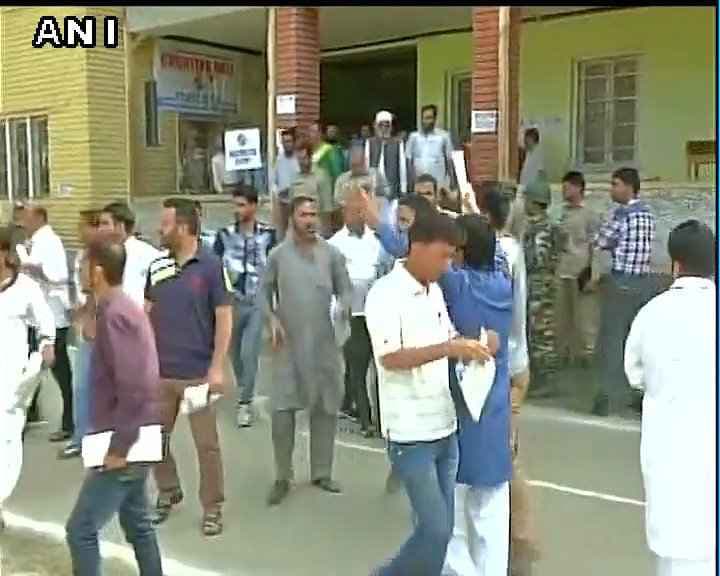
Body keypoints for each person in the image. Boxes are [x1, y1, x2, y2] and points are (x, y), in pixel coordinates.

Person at [365, 212, 492, 576]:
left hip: (444, 425)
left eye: (452, 257)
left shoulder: (434, 292)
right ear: (418, 247)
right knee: (434, 530)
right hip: (410, 432)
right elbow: (391, 358)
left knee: (441, 533)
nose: (447, 265)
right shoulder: (385, 295)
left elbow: (447, 337)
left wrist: (472, 346)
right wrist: (449, 349)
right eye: (443, 255)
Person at [65, 239, 164, 576]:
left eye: (82, 265)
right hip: (136, 436)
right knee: (138, 524)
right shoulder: (116, 308)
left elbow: (135, 383)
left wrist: (120, 447)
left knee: (80, 530)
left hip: (126, 442)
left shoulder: (116, 314)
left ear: (97, 271)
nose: (79, 272)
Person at [624, 220, 716, 576]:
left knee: (674, 555)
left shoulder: (652, 313)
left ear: (675, 264)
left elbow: (634, 374)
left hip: (669, 452)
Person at [146, 198, 233, 537]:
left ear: (182, 227)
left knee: (206, 446)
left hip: (197, 374)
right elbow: (146, 313)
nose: (160, 229)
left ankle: (212, 508)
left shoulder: (211, 266)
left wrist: (217, 367)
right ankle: (168, 491)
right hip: (161, 372)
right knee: (153, 438)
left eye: (165, 223)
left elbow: (224, 317)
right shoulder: (157, 266)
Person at [260, 194, 352, 506]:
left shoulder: (332, 254)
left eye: (314, 214)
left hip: (324, 343)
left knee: (326, 407)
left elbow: (345, 290)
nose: (310, 220)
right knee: (282, 411)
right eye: (304, 215)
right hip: (288, 344)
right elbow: (263, 292)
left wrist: (343, 307)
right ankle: (282, 476)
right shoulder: (278, 256)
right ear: (292, 219)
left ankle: (322, 472)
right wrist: (271, 318)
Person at [439, 214, 510, 576]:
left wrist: (380, 224)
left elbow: (414, 248)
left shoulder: (458, 284)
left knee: (449, 509)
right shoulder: (504, 281)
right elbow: (496, 251)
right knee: (492, 512)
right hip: (495, 406)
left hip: (462, 403)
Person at [482, 187, 538, 575]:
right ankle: (515, 538)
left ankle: (520, 541)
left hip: (506, 362)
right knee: (505, 452)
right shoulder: (512, 247)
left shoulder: (500, 253)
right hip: (516, 360)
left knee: (505, 457)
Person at [0, 226, 55, 531]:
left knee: (6, 439)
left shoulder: (26, 288)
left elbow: (45, 324)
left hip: (11, 378)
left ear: (5, 254)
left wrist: (47, 345)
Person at [591, 167, 656, 417]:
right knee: (638, 341)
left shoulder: (622, 215)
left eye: (615, 184)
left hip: (620, 283)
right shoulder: (647, 213)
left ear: (629, 187)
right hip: (643, 283)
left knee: (612, 341)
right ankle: (639, 394)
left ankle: (605, 398)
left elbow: (600, 241)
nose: (612, 189)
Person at [214, 184, 276, 428]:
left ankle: (245, 402)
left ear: (254, 206)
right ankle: (244, 387)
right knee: (235, 354)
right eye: (235, 205)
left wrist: (275, 306)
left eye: (242, 205)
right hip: (232, 301)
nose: (237, 210)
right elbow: (215, 268)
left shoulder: (268, 235)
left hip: (258, 299)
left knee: (249, 352)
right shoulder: (224, 236)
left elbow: (275, 269)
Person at [328, 189, 386, 437]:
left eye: (363, 210)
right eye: (354, 211)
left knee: (380, 370)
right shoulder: (334, 245)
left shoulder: (379, 242)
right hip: (352, 316)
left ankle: (382, 417)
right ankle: (366, 419)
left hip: (378, 316)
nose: (359, 215)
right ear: (345, 213)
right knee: (357, 370)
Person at [21, 203, 74, 442]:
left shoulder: (50, 242)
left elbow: (58, 276)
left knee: (60, 371)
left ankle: (69, 421)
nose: (24, 222)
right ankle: (30, 412)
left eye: (27, 217)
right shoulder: (33, 241)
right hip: (35, 316)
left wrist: (35, 270)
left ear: (40, 218)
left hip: (52, 316)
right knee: (28, 364)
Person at [59, 210, 100, 460]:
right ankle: (83, 435)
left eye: (83, 226)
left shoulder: (100, 256)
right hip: (83, 322)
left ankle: (86, 437)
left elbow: (95, 291)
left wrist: (89, 317)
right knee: (82, 385)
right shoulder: (82, 255)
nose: (79, 232)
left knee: (84, 385)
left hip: (96, 326)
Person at [553, 171, 600, 367]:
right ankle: (563, 353)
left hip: (581, 272)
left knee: (584, 317)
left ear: (579, 188)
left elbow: (596, 246)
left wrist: (594, 273)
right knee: (561, 316)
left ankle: (587, 354)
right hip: (561, 270)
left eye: (567, 187)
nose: (564, 191)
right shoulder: (559, 213)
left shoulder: (590, 214)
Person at [523, 180, 559, 398]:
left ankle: (547, 381)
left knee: (542, 334)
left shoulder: (542, 229)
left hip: (540, 287)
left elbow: (538, 258)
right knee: (536, 332)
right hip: (538, 285)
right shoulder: (542, 226)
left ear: (534, 202)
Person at [98, 202, 163, 308]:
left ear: (120, 226)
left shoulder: (147, 254)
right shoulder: (105, 254)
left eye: (105, 223)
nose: (100, 229)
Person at [289, 139, 334, 238]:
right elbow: (291, 206)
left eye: (304, 158)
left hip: (317, 228)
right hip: (297, 231)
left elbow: (327, 207)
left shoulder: (321, 176)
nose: (301, 162)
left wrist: (326, 235)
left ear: (310, 157)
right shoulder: (294, 177)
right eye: (299, 159)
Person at [406, 104, 454, 193]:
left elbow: (449, 161)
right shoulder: (413, 137)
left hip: (438, 184)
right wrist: (410, 183)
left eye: (429, 118)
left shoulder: (443, 137)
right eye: (424, 118)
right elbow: (409, 162)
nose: (426, 121)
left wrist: (452, 183)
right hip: (419, 184)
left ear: (434, 119)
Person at [365, 110, 407, 201]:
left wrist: (403, 189)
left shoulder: (398, 143)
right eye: (381, 125)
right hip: (374, 190)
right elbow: (366, 165)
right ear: (375, 126)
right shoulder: (370, 142)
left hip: (392, 190)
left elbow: (402, 168)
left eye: (387, 125)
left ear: (391, 127)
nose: (384, 128)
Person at [334, 143, 389, 209]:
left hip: (372, 211)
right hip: (351, 212)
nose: (357, 168)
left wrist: (372, 199)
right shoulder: (342, 179)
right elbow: (337, 200)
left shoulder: (376, 174)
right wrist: (353, 202)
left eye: (359, 165)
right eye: (354, 165)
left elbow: (386, 194)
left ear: (365, 161)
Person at [271, 128, 300, 240]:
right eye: (284, 142)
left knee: (298, 231)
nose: (287, 144)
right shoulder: (279, 160)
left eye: (289, 141)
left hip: (297, 201)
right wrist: (278, 192)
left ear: (294, 143)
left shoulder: (299, 159)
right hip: (282, 202)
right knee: (281, 232)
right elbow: (274, 180)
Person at [309, 121, 344, 191]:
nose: (311, 134)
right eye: (310, 131)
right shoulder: (310, 150)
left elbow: (337, 173)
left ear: (320, 133)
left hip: (326, 190)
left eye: (313, 131)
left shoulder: (329, 149)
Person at [518, 128, 547, 194]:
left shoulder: (539, 153)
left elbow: (541, 173)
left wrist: (535, 189)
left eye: (526, 138)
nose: (524, 141)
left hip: (533, 190)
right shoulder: (529, 152)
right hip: (526, 188)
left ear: (531, 139)